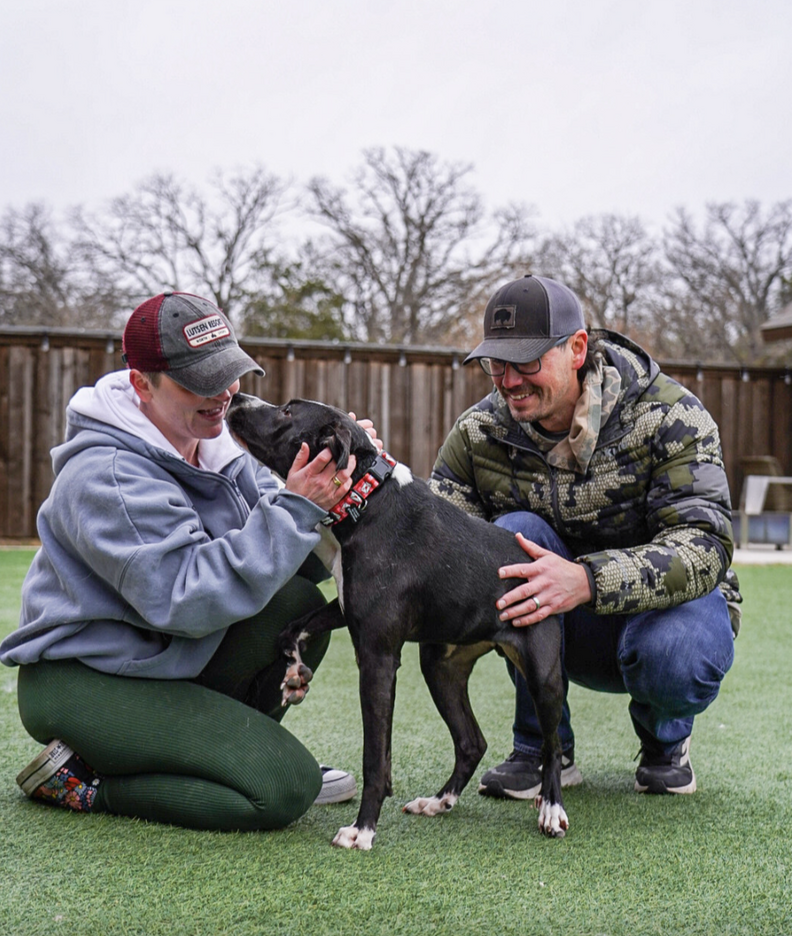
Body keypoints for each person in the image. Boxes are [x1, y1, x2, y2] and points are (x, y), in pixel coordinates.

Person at [2, 291, 370, 830]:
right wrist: (296, 509)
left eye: (229, 372)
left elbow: (296, 564)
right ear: (141, 383)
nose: (223, 393)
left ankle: (228, 759)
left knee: (299, 608)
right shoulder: (107, 475)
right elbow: (185, 598)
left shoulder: (216, 446)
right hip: (84, 680)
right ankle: (83, 786)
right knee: (284, 788)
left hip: (164, 658)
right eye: (199, 380)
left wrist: (345, 492)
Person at [430, 273, 741, 799]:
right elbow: (436, 539)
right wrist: (370, 486)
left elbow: (705, 546)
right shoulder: (477, 433)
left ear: (577, 349)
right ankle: (542, 746)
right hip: (554, 625)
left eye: (527, 363)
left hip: (662, 618)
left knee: (676, 651)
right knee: (512, 537)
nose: (509, 381)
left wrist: (587, 580)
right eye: (496, 364)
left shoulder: (669, 414)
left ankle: (666, 742)